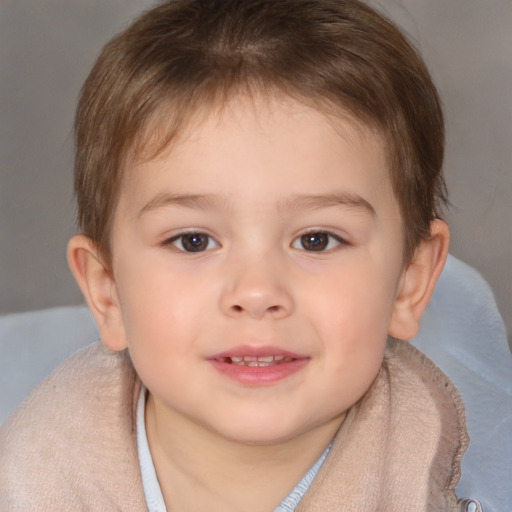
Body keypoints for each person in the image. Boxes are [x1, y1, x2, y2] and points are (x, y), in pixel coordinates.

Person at [0, 0, 483, 510]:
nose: (256, 292)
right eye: (193, 241)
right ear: (107, 290)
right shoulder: (36, 478)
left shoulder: (445, 476)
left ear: (411, 280)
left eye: (316, 239)